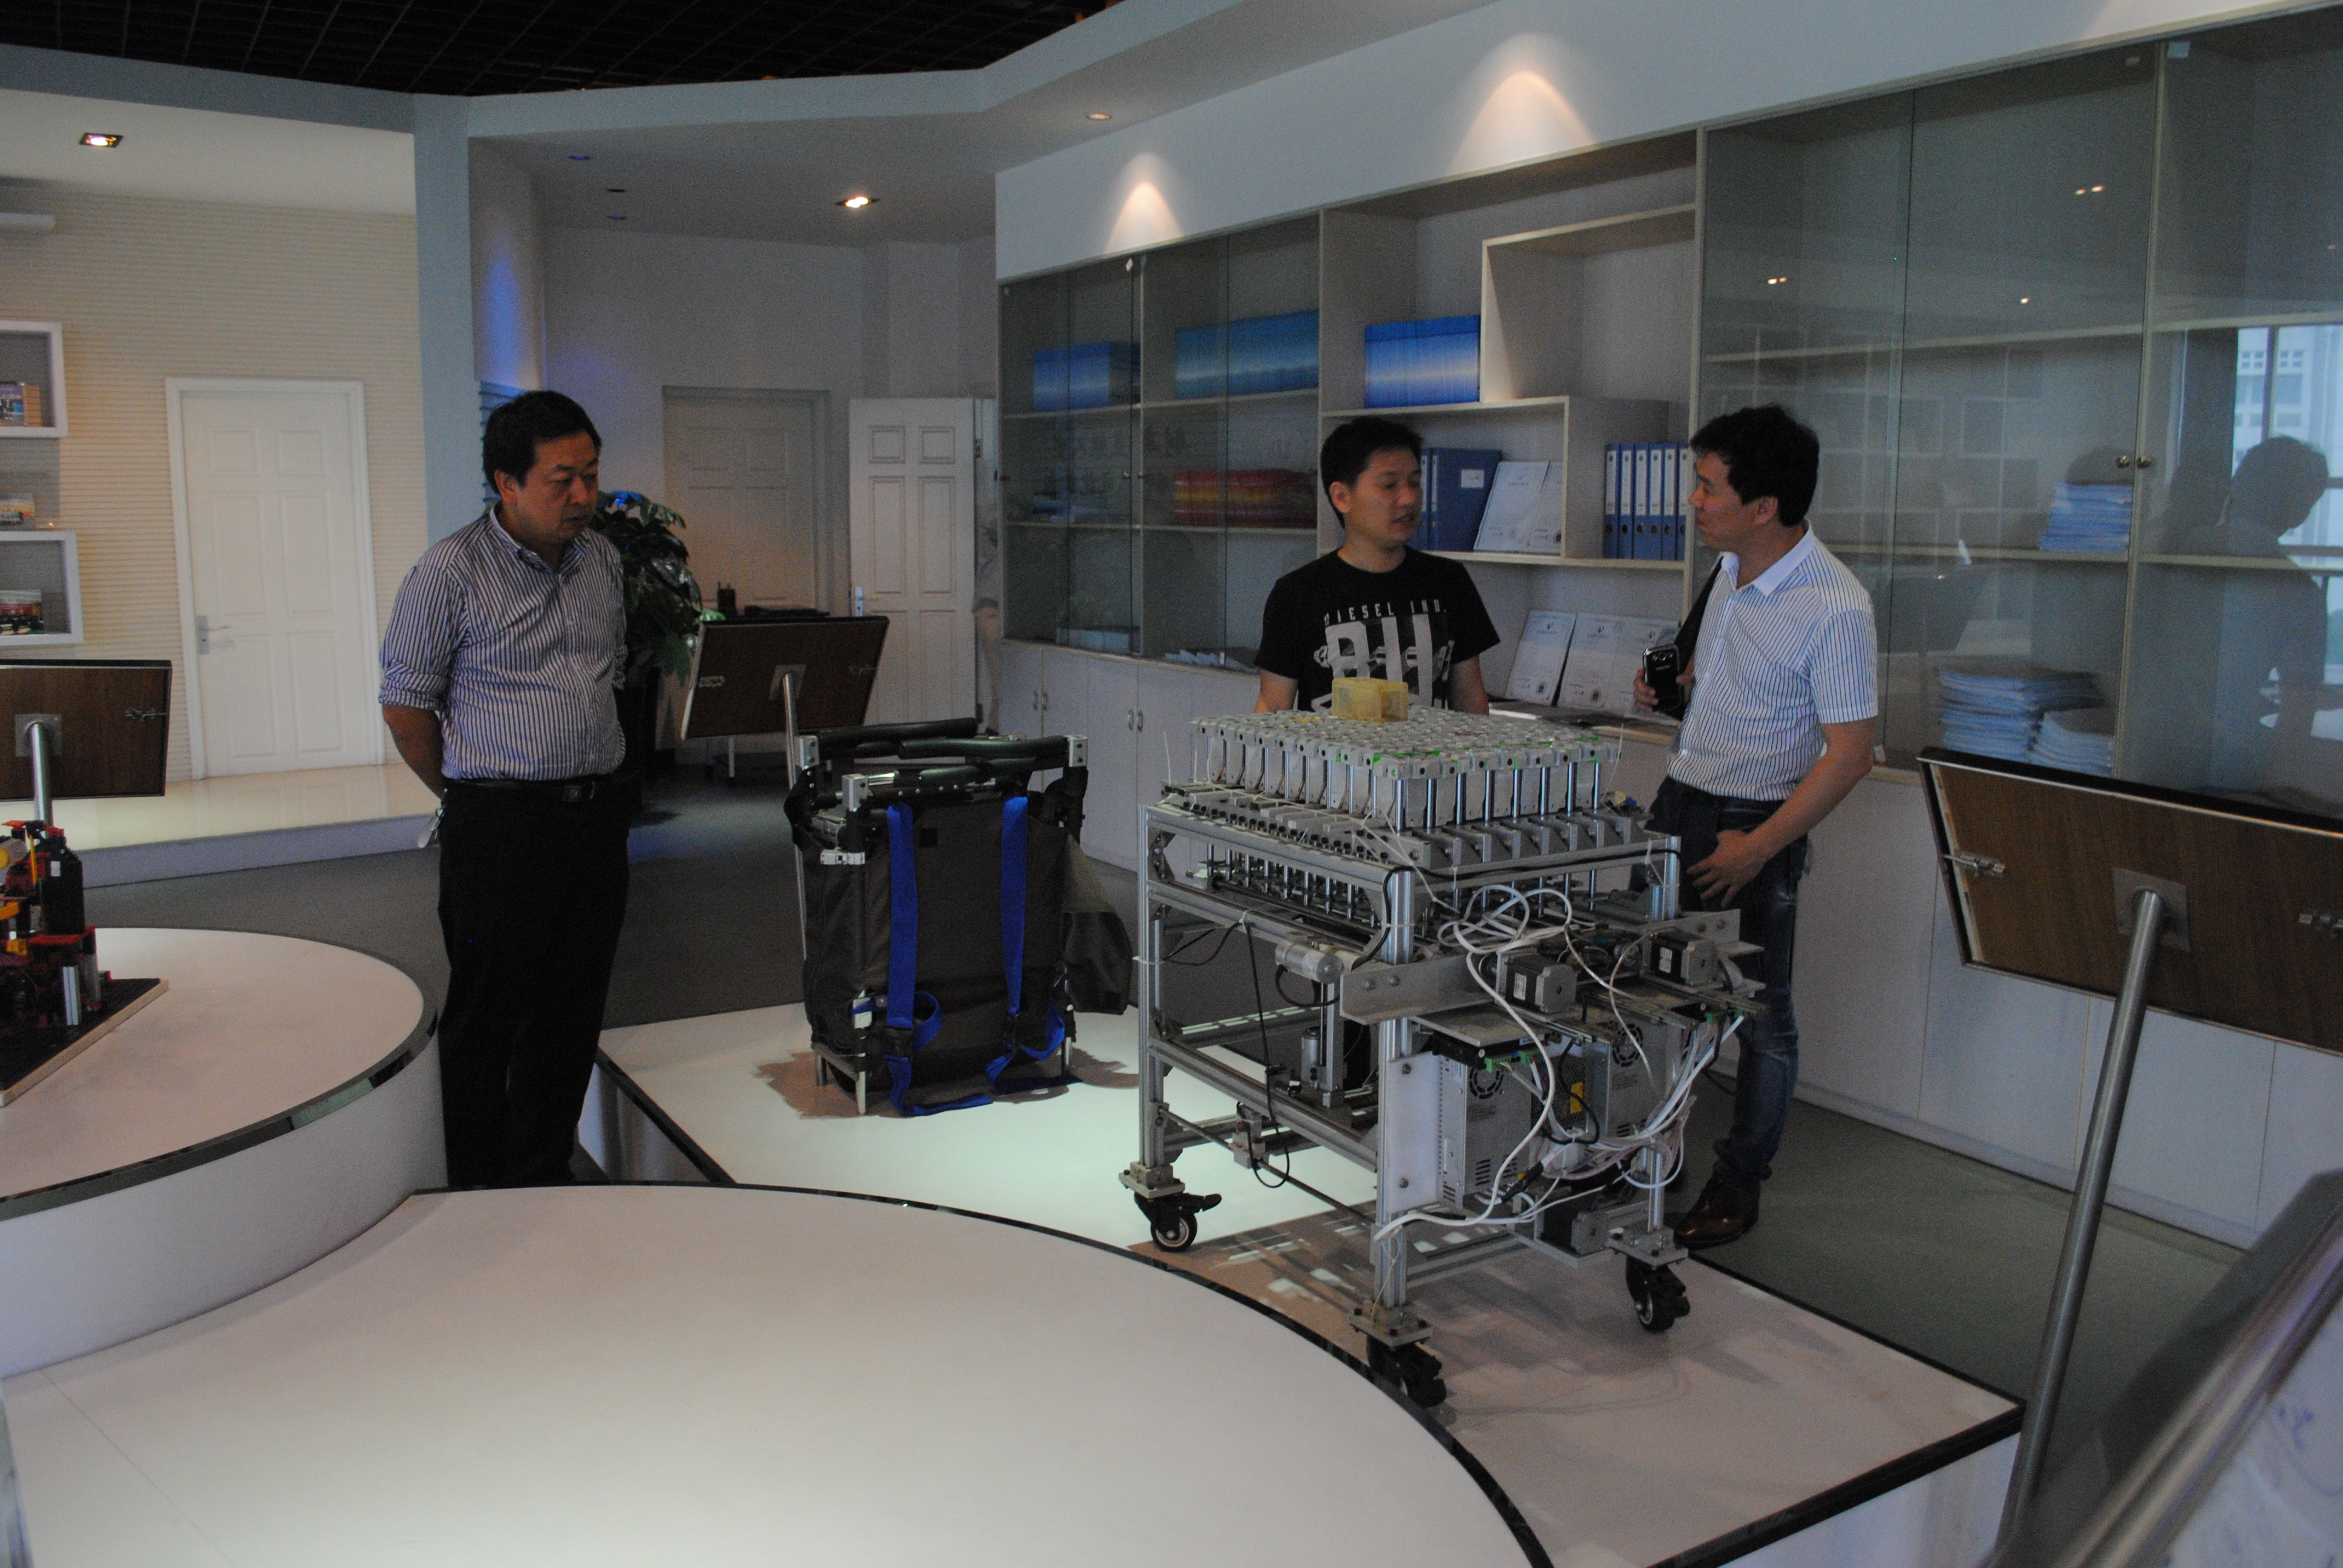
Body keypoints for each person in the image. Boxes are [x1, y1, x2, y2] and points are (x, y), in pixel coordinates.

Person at [1637, 405, 1878, 1247]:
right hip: (1681, 799)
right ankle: (1649, 1152)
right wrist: (1672, 690)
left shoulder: (1833, 606)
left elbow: (1850, 755)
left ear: (1765, 505)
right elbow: (1718, 683)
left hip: (1750, 823)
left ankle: (1739, 1180)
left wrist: (1760, 847)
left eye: (1709, 488)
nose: (1694, 502)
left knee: (1758, 1011)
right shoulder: (1730, 570)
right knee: (1652, 984)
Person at [379, 391, 631, 1188]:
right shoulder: (449, 572)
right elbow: (407, 706)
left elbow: (611, 673)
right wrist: (464, 794)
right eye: (562, 480)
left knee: (572, 1009)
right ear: (506, 482)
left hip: (594, 820)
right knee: (489, 1013)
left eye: (590, 475)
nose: (582, 495)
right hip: (499, 824)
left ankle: (544, 1167)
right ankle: (479, 1185)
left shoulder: (603, 562)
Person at [1255, 416, 1498, 713]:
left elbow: (1470, 696)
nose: (1409, 498)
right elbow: (1273, 706)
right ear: (1342, 497)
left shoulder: (1449, 580)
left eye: (1415, 482)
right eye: (1389, 485)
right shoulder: (1298, 593)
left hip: (1426, 745)